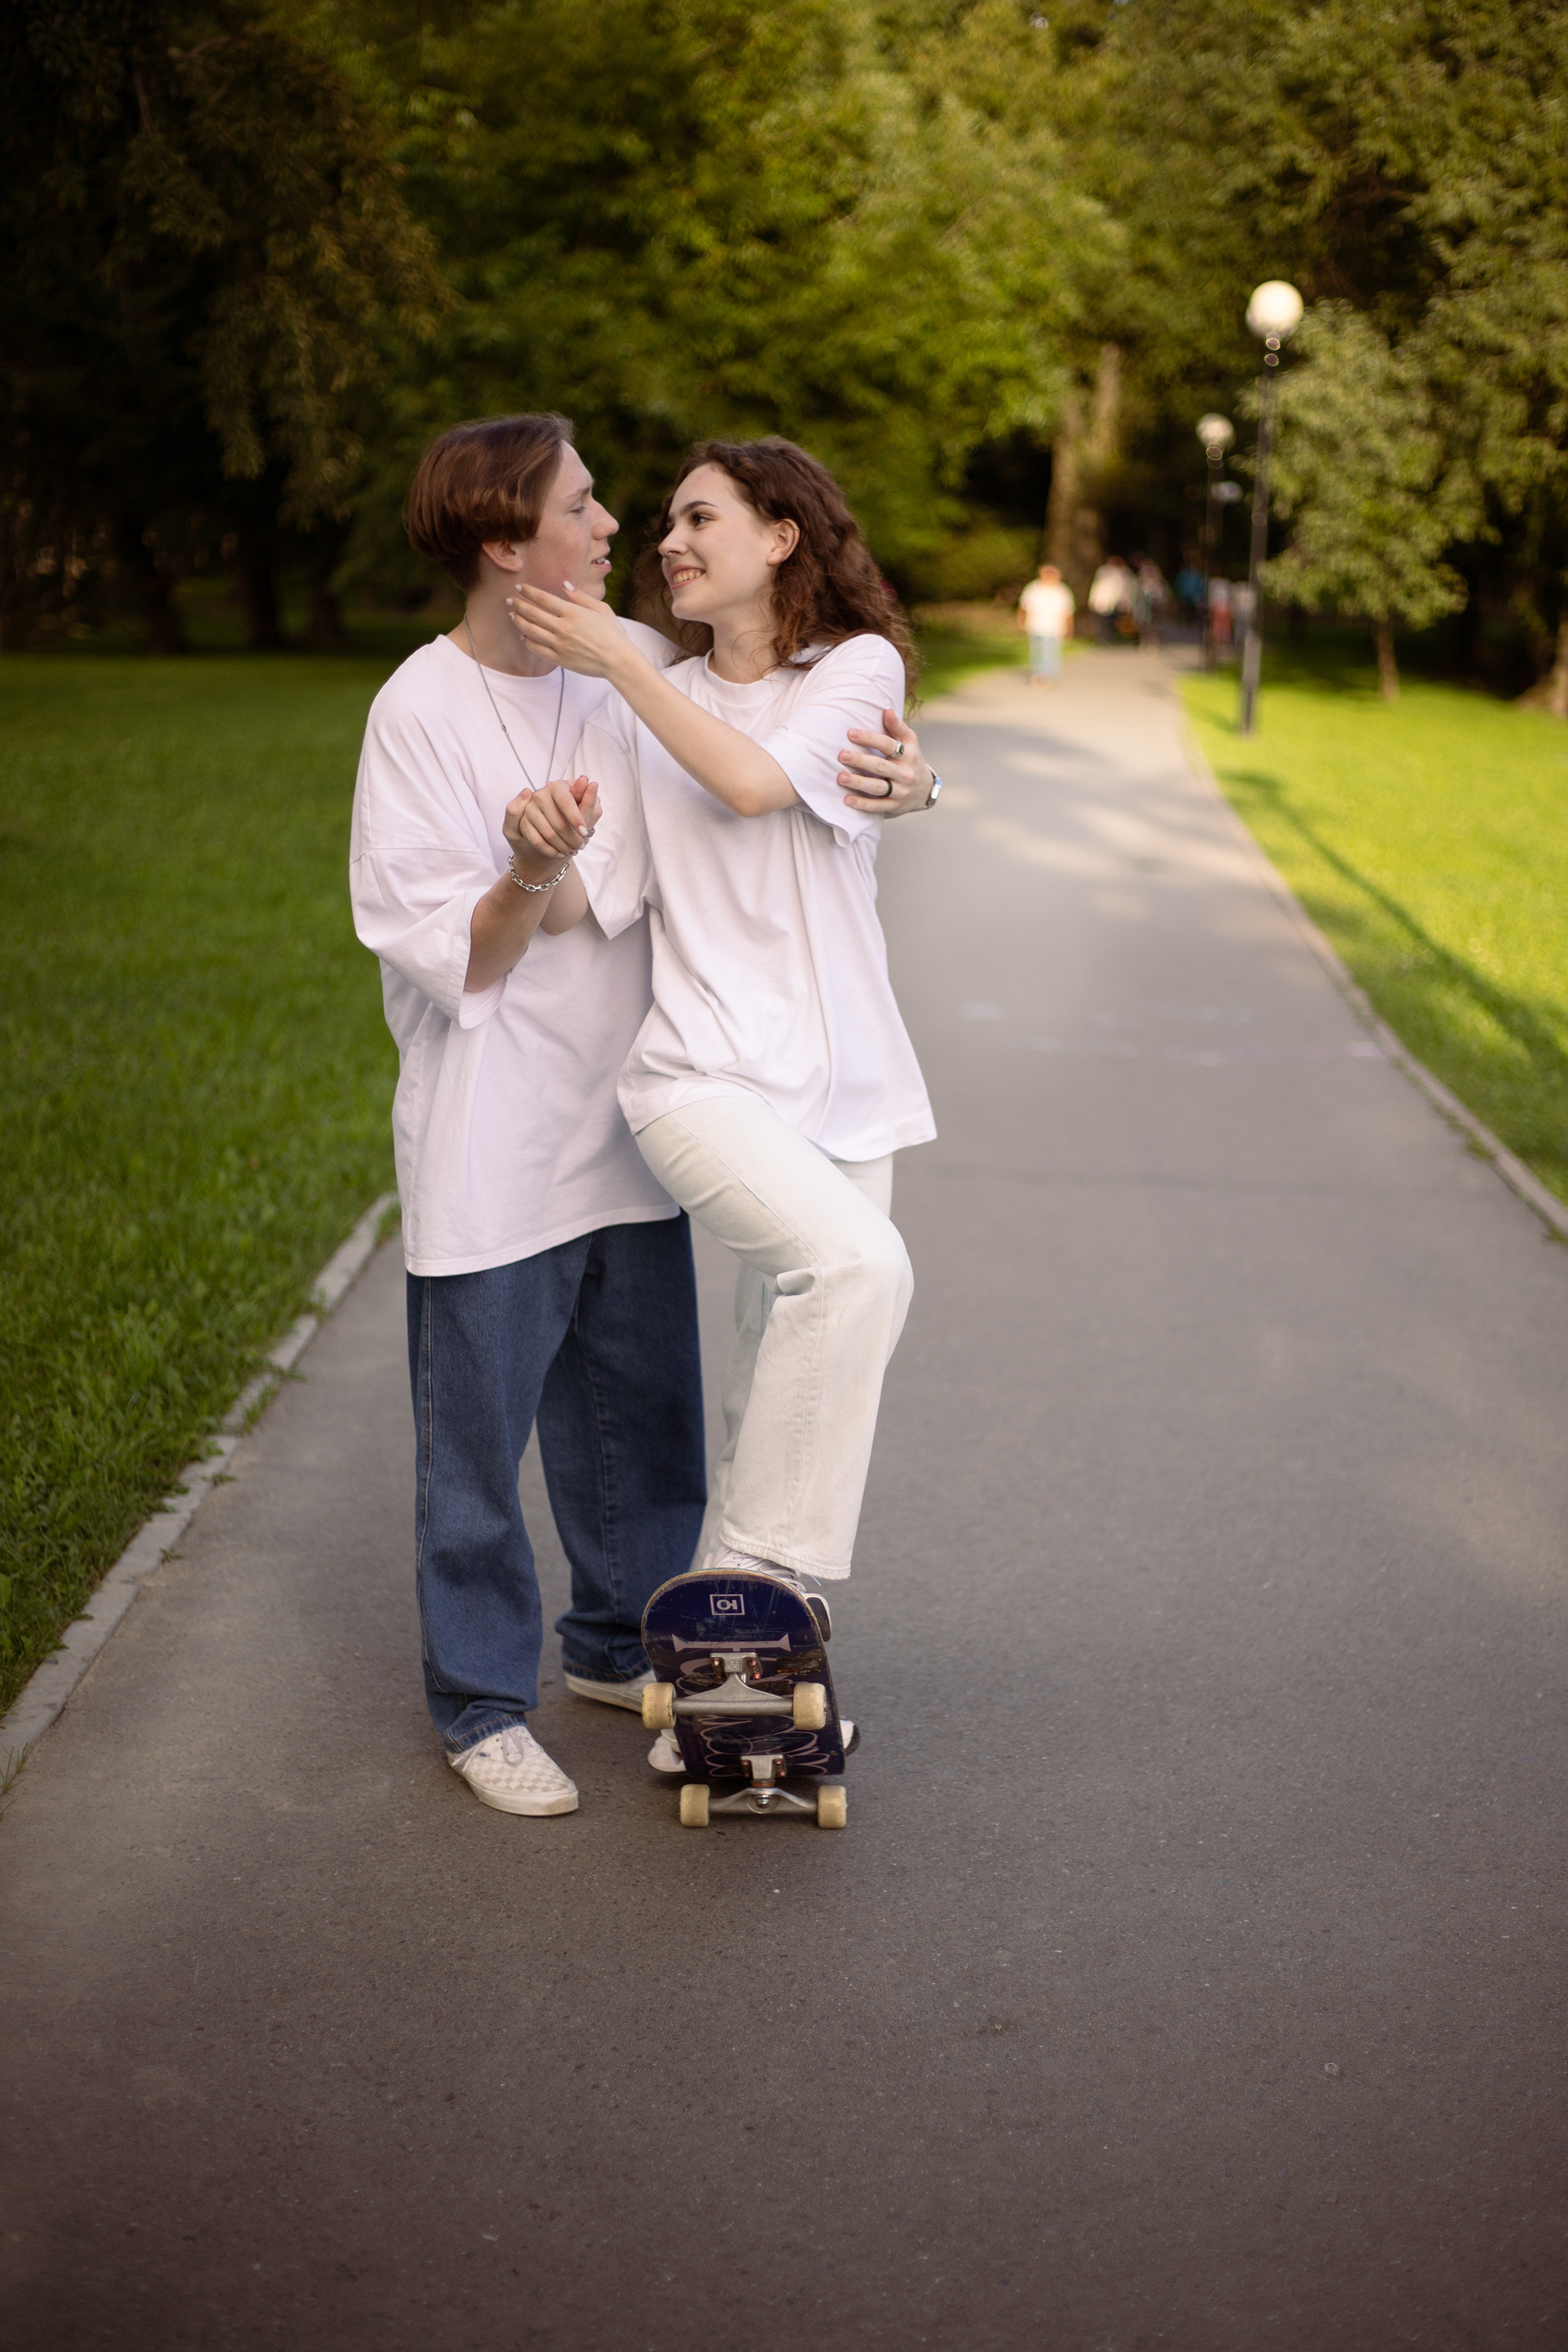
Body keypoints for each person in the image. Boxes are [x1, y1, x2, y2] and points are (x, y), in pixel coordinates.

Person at [349, 415, 938, 1820]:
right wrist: (524, 863)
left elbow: (764, 768)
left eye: (670, 515)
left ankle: (641, 1644)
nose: (626, 530)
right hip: (525, 1118)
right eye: (594, 505)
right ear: (509, 544)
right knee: (479, 1447)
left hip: (660, 1124)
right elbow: (497, 925)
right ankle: (492, 1701)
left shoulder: (640, 677)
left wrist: (922, 786)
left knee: (655, 1424)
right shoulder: (423, 709)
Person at [508, 439, 936, 1769]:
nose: (670, 543)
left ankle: (717, 1694)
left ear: (784, 535)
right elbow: (605, 898)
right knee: (857, 1269)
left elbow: (756, 787)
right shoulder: (650, 698)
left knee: (775, 1385)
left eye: (702, 519)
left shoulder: (854, 670)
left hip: (843, 1091)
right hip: (696, 1081)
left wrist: (626, 670)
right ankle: (751, 1595)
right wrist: (534, 855)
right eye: (669, 527)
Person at [1016, 561, 1075, 686]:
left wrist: (1069, 629)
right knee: (1037, 651)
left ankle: (1046, 675)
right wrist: (1021, 620)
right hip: (1035, 626)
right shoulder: (1033, 588)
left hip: (1054, 627)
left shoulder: (1062, 591)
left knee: (1050, 651)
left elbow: (1068, 612)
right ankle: (1038, 672)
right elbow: (1024, 606)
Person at [1087, 554, 1131, 646]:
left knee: (1115, 622)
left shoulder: (1125, 573)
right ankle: (1102, 639)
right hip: (1104, 601)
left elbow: (1127, 589)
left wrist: (1127, 602)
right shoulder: (1103, 571)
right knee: (1102, 622)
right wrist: (1093, 600)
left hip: (1117, 602)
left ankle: (1113, 639)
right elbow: (1097, 586)